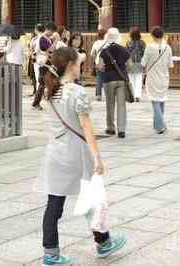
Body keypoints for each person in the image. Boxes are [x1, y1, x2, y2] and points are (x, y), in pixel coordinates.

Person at [34, 46, 127, 265]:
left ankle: (50, 254)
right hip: (77, 152)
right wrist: (98, 158)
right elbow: (86, 128)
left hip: (55, 152)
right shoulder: (76, 92)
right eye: (78, 62)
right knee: (91, 198)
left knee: (54, 205)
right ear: (70, 65)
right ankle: (103, 241)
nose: (81, 65)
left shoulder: (50, 91)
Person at [98, 27, 131, 138]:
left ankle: (111, 128)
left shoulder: (104, 51)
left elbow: (100, 67)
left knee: (110, 104)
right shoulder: (124, 50)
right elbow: (130, 66)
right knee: (121, 105)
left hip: (108, 80)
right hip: (121, 80)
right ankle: (121, 130)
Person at [142, 26, 173, 134]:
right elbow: (170, 64)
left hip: (152, 76)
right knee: (161, 99)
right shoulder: (168, 47)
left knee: (155, 100)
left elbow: (143, 63)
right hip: (164, 76)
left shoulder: (149, 47)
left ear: (153, 36)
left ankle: (160, 125)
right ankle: (157, 124)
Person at [127, 28, 146, 102]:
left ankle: (133, 94)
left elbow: (126, 53)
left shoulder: (128, 42)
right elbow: (145, 53)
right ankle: (137, 96)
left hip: (130, 62)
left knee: (131, 80)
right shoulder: (142, 43)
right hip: (139, 62)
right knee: (139, 79)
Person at [89, 28, 107, 100]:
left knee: (99, 79)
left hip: (98, 63)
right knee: (107, 79)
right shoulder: (108, 42)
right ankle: (108, 94)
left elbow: (92, 54)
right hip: (107, 63)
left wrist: (96, 58)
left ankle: (98, 95)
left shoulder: (96, 43)